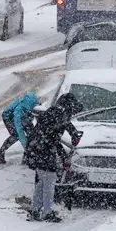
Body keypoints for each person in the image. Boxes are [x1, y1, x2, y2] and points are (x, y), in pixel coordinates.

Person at [25, 93, 84, 223]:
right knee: (50, 181)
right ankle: (47, 213)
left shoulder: (53, 113)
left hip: (36, 149)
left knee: (42, 182)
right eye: (72, 109)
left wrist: (73, 135)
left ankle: (35, 210)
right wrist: (64, 158)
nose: (72, 113)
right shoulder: (59, 116)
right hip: (43, 150)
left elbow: (58, 133)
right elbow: (55, 139)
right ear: (68, 106)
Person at [0, 92, 40, 164]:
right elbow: (20, 131)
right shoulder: (18, 111)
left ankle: (29, 155)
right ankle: (0, 154)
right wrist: (25, 146)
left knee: (32, 133)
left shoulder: (34, 105)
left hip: (25, 118)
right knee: (15, 135)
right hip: (9, 118)